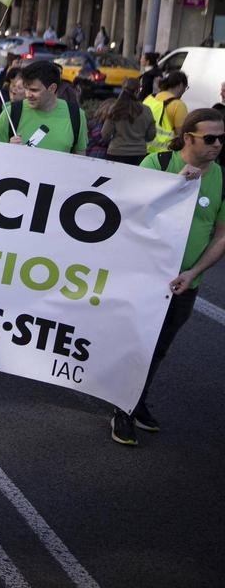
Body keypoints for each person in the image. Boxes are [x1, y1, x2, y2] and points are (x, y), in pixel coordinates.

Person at [111, 109, 225, 444]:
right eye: (210, 138)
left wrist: (194, 272)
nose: (218, 144)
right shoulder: (157, 165)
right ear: (188, 137)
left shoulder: (221, 177)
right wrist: (175, 186)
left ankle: (137, 399)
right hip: (145, 277)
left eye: (222, 138)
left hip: (185, 283)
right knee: (137, 344)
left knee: (159, 347)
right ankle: (123, 408)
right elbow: (130, 214)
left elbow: (221, 235)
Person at [0, 60, 87, 155]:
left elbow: (80, 160)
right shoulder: (10, 114)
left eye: (34, 90)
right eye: (26, 88)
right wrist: (7, 150)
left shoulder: (76, 115)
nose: (28, 94)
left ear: (52, 88)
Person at [101, 78, 156, 165]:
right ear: (138, 90)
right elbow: (151, 135)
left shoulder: (115, 109)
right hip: (139, 154)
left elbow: (105, 134)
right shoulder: (146, 110)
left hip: (116, 153)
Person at [143, 71, 189, 154]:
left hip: (143, 149)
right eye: (186, 88)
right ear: (181, 85)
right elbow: (182, 136)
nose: (184, 91)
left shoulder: (149, 98)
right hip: (164, 155)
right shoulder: (178, 105)